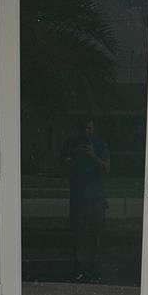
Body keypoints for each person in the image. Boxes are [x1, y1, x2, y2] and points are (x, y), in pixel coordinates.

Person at [62, 118, 110, 282]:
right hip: (78, 196)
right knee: (78, 233)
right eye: (83, 128)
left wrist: (93, 156)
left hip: (96, 196)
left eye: (89, 128)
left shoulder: (100, 145)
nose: (86, 132)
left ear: (94, 129)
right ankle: (78, 267)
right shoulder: (70, 145)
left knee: (96, 233)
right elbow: (64, 169)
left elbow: (107, 168)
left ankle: (94, 266)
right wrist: (76, 157)